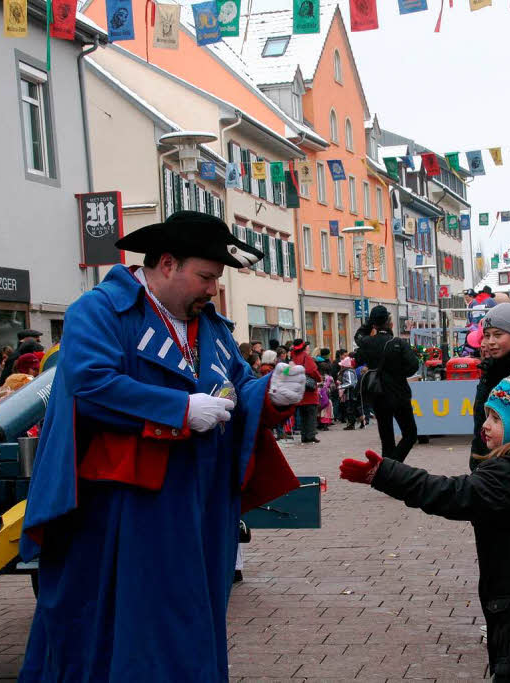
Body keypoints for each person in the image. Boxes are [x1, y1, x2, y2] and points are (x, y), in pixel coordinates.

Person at [18, 210, 306, 681]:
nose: (213, 289)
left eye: (216, 279)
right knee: (127, 621)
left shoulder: (211, 327)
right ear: (167, 264)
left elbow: (234, 390)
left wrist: (269, 394)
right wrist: (178, 410)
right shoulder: (99, 311)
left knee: (194, 614)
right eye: (206, 277)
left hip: (202, 501)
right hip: (126, 505)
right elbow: (89, 385)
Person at [339, 360, 510, 681]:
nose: (485, 424)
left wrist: (387, 473)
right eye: (486, 414)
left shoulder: (509, 476)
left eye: (496, 418)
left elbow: (450, 494)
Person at [354, 306, 420, 462]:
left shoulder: (367, 342)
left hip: (378, 394)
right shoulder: (397, 343)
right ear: (390, 324)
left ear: (374, 325)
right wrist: (398, 373)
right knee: (410, 434)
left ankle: (388, 470)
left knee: (386, 438)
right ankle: (392, 467)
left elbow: (358, 337)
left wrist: (370, 323)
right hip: (399, 393)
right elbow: (413, 366)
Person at [470, 303, 510, 471]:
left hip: (507, 465)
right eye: (487, 335)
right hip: (485, 460)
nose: (490, 342)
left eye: (498, 335)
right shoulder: (490, 369)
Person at [290, 339, 322, 444]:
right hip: (309, 391)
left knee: (303, 415)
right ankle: (311, 435)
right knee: (311, 414)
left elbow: (287, 370)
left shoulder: (293, 356)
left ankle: (304, 436)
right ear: (303, 348)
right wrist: (319, 378)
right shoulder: (306, 357)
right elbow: (312, 371)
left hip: (298, 389)